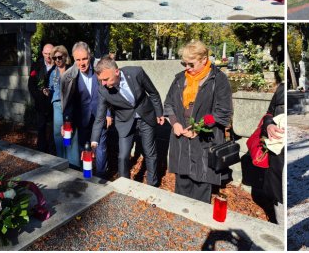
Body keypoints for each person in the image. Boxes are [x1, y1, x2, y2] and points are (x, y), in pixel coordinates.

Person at [163, 41, 233, 203]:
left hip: (205, 139)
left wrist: (198, 127)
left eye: (191, 64)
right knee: (182, 182)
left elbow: (222, 112)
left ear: (203, 59)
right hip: (181, 139)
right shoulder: (180, 79)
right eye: (184, 63)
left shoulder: (218, 79)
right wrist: (175, 123)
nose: (187, 67)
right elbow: (169, 104)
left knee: (201, 183)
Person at [91, 57, 164, 186]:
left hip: (145, 116)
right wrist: (94, 142)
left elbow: (153, 92)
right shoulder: (103, 90)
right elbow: (100, 117)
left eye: (106, 79)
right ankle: (123, 185)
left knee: (149, 153)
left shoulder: (136, 73)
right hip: (124, 121)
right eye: (100, 80)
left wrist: (159, 112)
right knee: (123, 156)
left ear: (117, 72)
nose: (103, 83)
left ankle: (152, 185)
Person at [60, 42, 110, 176]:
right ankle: (87, 177)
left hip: (101, 116)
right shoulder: (68, 77)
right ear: (73, 59)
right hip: (82, 119)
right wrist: (65, 123)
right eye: (78, 59)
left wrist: (109, 113)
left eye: (84, 59)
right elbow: (67, 102)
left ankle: (101, 177)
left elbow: (109, 91)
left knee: (101, 148)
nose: (81, 63)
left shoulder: (100, 68)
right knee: (84, 149)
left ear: (90, 56)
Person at [259, 78, 285, 224]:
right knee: (278, 198)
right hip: (277, 154)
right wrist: (268, 125)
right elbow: (269, 113)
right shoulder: (282, 88)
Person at [44, 45, 71, 161]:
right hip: (57, 104)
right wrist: (47, 91)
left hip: (69, 104)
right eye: (54, 58)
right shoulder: (53, 73)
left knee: (68, 132)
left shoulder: (72, 71)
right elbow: (51, 88)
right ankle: (61, 160)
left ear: (65, 57)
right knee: (57, 134)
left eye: (59, 57)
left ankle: (70, 160)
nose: (57, 60)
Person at [28, 43, 55, 154]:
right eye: (46, 54)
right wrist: (39, 97)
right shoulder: (36, 66)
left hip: (54, 104)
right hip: (40, 104)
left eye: (50, 54)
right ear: (42, 53)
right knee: (41, 129)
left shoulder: (58, 65)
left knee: (54, 131)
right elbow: (31, 85)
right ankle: (41, 153)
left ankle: (53, 152)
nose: (48, 56)